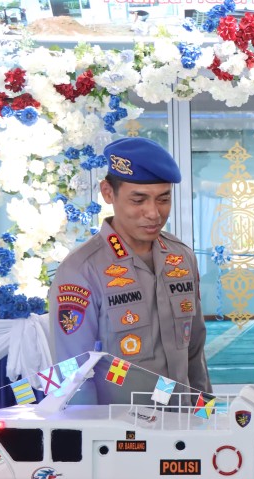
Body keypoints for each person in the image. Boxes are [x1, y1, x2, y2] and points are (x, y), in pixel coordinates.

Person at [48, 137, 211, 400]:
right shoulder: (81, 270)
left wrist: (205, 417)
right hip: (118, 434)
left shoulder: (181, 257)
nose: (154, 213)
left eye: (163, 199)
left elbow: (194, 354)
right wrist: (94, 437)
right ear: (108, 193)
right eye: (138, 200)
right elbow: (74, 374)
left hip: (182, 427)